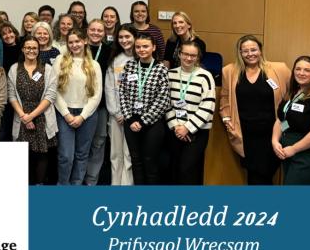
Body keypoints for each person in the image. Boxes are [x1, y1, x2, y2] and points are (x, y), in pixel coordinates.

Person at [220, 35, 291, 185]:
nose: (250, 54)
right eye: (245, 51)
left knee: (264, 174)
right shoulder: (229, 71)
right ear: (240, 53)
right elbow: (225, 98)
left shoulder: (279, 69)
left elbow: (291, 96)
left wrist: (287, 125)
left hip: (272, 134)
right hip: (245, 134)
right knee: (255, 174)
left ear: (260, 50)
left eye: (254, 49)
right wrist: (226, 119)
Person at [272, 56, 310, 184]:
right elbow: (282, 120)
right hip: (288, 150)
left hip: (309, 154)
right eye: (298, 69)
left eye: (307, 70)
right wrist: (275, 140)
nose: (301, 73)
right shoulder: (292, 93)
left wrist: (293, 149)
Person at [118, 33, 170, 185]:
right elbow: (122, 93)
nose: (141, 50)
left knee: (150, 161)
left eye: (145, 46)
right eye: (138, 47)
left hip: (152, 124)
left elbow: (163, 100)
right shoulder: (129, 66)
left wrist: (142, 120)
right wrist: (130, 118)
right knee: (136, 161)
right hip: (131, 121)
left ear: (153, 47)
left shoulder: (161, 70)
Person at [54, 30, 102, 185]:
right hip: (64, 113)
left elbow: (96, 95)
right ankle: (63, 187)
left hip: (87, 115)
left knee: (82, 155)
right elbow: (54, 90)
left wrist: (83, 116)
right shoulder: (60, 60)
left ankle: (76, 187)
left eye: (77, 41)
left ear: (85, 41)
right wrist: (67, 114)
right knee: (65, 155)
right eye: (71, 42)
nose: (74, 45)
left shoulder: (94, 65)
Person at [8, 36, 58, 185]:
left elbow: (50, 95)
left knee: (42, 154)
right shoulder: (14, 68)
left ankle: (39, 187)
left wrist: (32, 116)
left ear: (39, 50)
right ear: (23, 49)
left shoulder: (47, 69)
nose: (31, 50)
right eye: (28, 47)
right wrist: (24, 116)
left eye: (34, 48)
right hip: (21, 115)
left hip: (42, 115)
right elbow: (11, 95)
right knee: (24, 156)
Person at [165, 41, 215, 185]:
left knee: (188, 171)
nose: (188, 58)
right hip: (175, 130)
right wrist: (176, 126)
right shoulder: (170, 74)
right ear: (179, 54)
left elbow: (208, 105)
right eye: (185, 54)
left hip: (197, 132)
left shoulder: (205, 76)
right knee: (174, 171)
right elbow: (165, 103)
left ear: (197, 57)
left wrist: (188, 127)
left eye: (193, 55)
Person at [104, 26, 137, 185]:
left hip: (134, 117)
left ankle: (127, 186)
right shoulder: (115, 59)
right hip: (116, 115)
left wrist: (130, 114)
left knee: (129, 154)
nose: (124, 40)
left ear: (135, 37)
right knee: (115, 154)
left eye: (128, 37)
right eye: (121, 37)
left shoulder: (141, 59)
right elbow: (109, 88)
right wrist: (116, 112)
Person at [84, 19, 113, 185]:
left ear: (104, 33)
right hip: (80, 105)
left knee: (98, 142)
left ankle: (91, 181)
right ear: (87, 31)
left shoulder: (110, 51)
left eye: (99, 31)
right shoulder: (78, 48)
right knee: (82, 144)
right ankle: (78, 179)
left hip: (101, 104)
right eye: (93, 30)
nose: (96, 33)